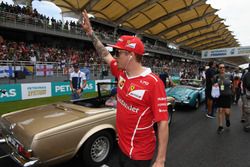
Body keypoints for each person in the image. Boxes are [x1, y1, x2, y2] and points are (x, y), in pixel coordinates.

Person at [82, 10, 169, 167]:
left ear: (131, 56)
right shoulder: (122, 72)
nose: (115, 56)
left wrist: (161, 159)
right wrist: (90, 32)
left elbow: (162, 123)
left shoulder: (153, 83)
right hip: (121, 146)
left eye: (119, 52)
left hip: (140, 154)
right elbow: (104, 54)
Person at [214, 64, 232, 134]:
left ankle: (227, 119)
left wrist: (233, 91)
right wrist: (214, 85)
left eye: (223, 67)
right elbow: (213, 85)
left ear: (225, 68)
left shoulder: (229, 75)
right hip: (220, 96)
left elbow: (233, 83)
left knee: (227, 112)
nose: (222, 68)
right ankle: (220, 126)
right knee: (220, 110)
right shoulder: (216, 76)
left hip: (227, 95)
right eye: (220, 67)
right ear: (218, 69)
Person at [241, 64, 250, 131]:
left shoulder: (246, 74)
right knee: (247, 110)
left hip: (245, 93)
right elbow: (248, 84)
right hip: (247, 94)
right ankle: (247, 125)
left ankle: (247, 123)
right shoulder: (247, 75)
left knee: (246, 108)